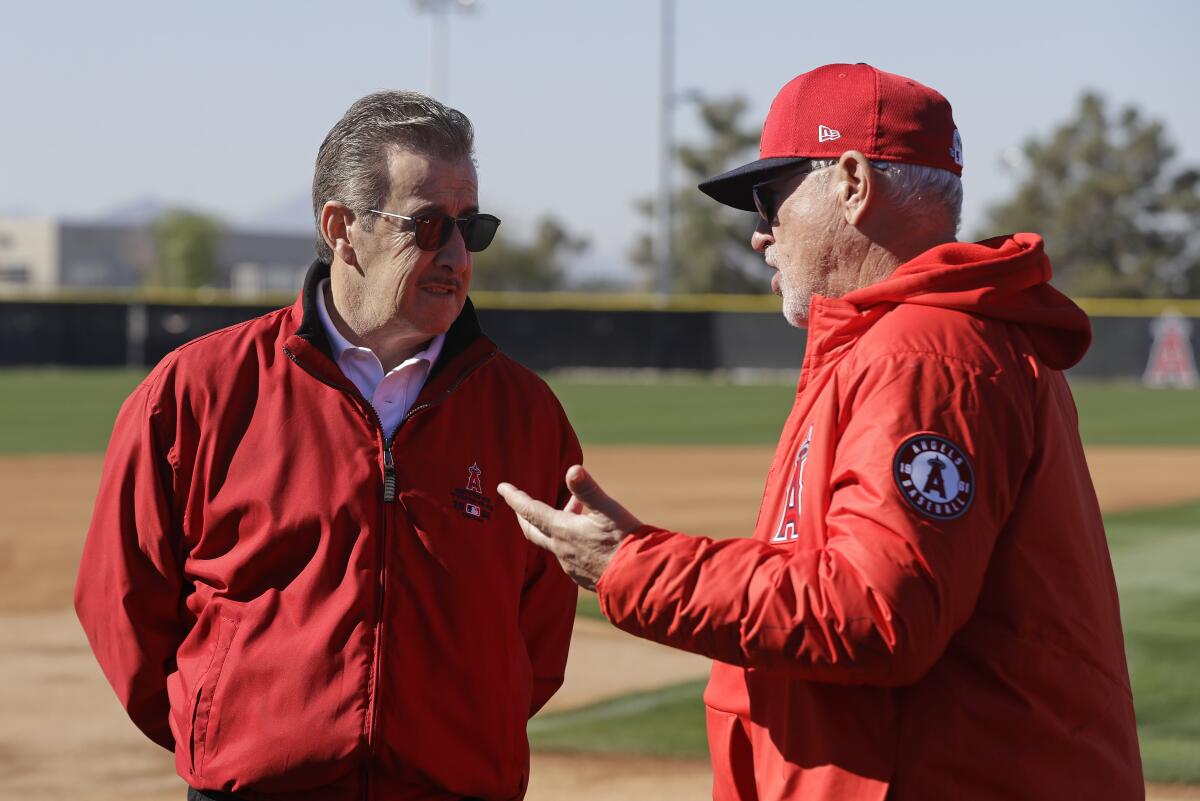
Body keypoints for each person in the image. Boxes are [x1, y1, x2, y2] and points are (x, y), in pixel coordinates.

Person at [498, 63, 1144, 800]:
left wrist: (634, 567)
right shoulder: (911, 343)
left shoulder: (926, 354)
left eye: (771, 199)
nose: (761, 235)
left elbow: (876, 612)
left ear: (851, 182)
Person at [75, 91, 581, 801]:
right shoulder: (198, 390)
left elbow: (541, 632)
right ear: (342, 228)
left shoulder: (525, 413)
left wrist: (456, 740)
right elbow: (123, 600)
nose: (458, 255)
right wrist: (226, 733)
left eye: (473, 227)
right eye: (431, 225)